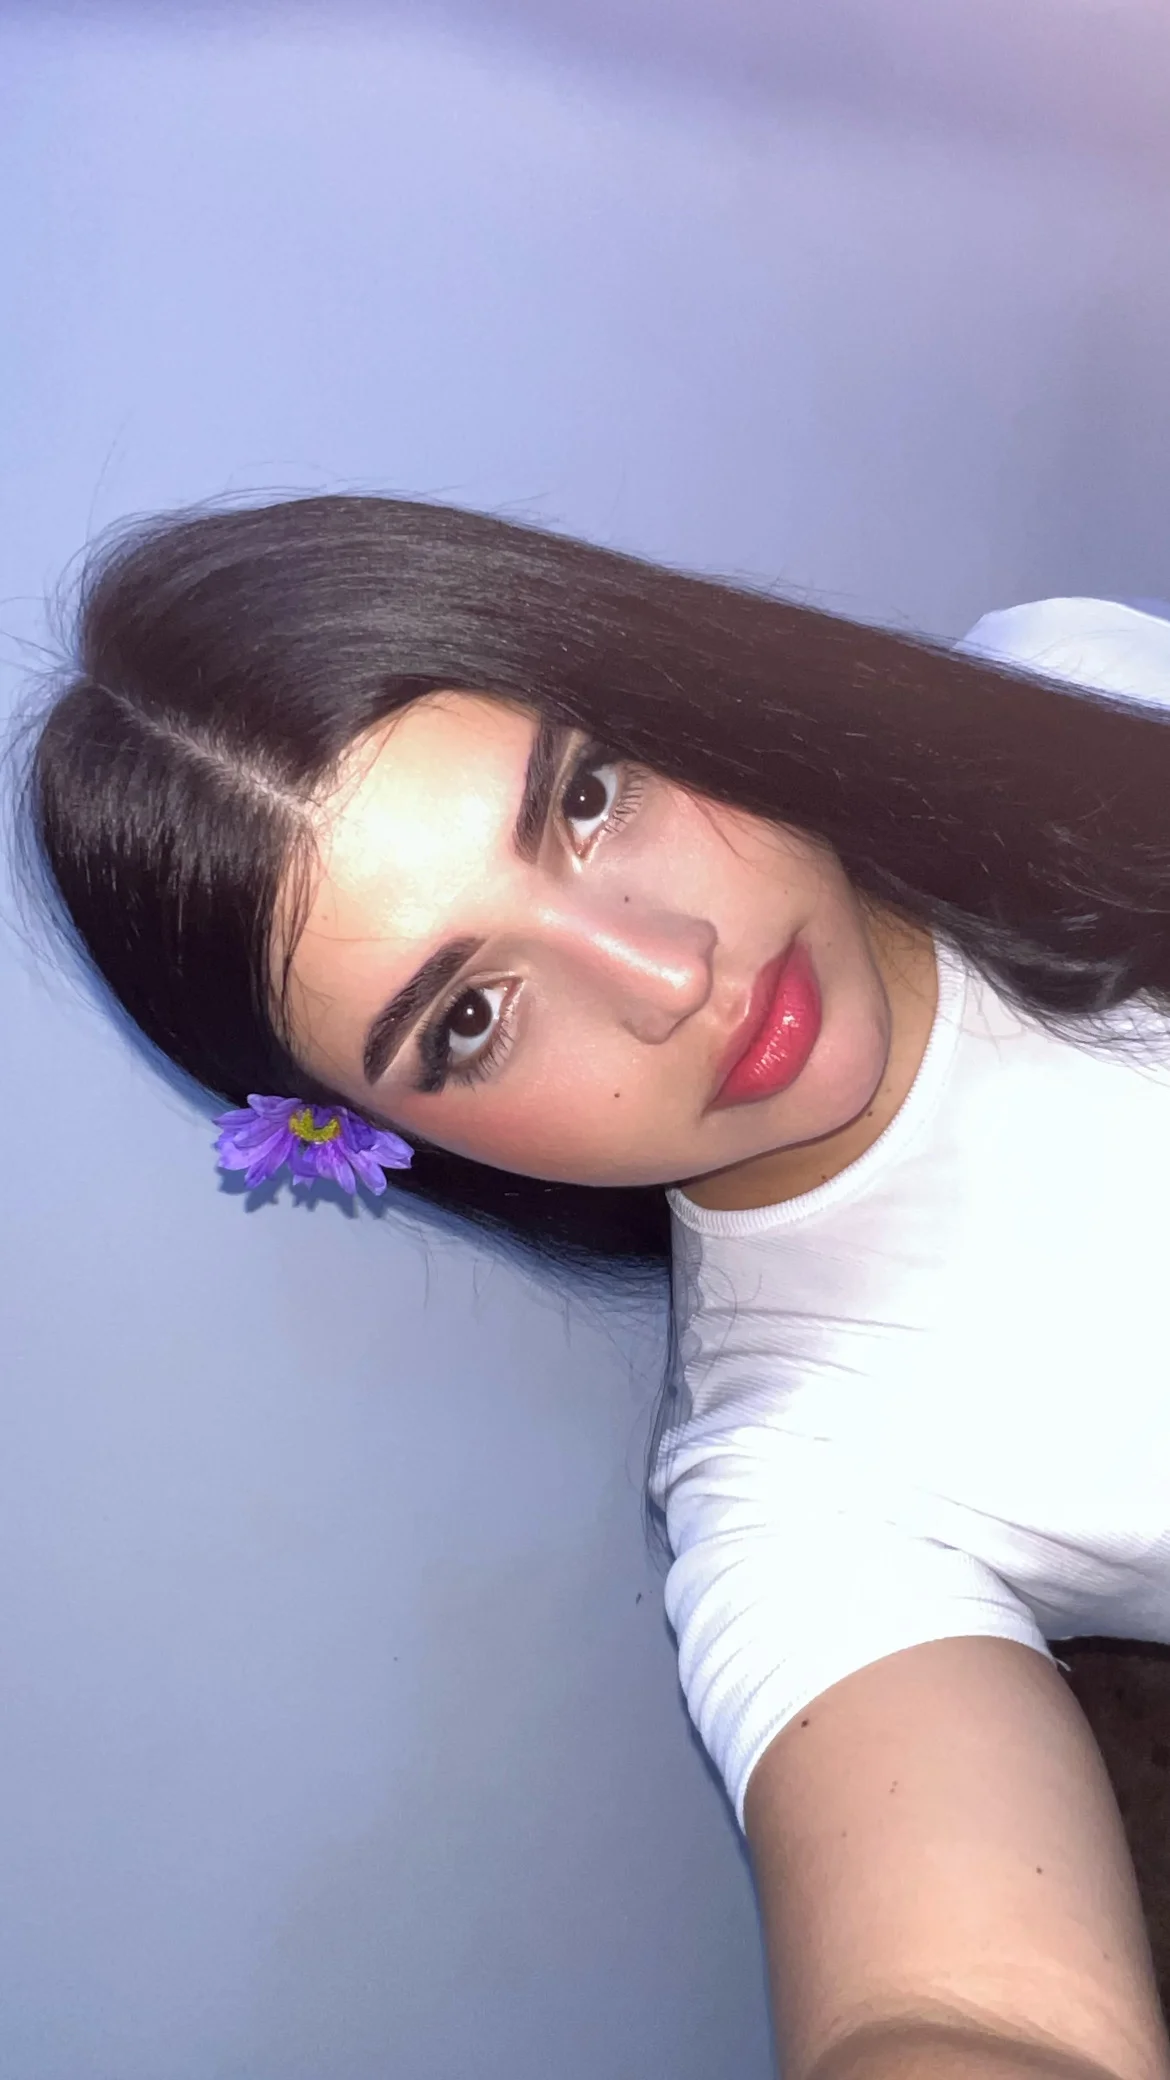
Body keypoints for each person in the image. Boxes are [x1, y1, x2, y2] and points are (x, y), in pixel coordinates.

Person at [12, 495, 1170, 2080]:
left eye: (587, 796)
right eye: (468, 1020)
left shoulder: (1065, 675)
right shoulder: (801, 1491)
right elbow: (967, 2010)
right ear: (410, 1141)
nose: (666, 973)